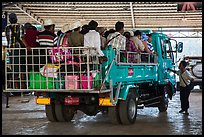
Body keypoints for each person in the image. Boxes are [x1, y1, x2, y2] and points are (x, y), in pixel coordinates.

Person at [5, 12, 26, 89]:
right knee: (22, 69)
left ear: (9, 20)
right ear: (16, 19)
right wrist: (27, 46)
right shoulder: (20, 26)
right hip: (19, 50)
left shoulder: (7, 28)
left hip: (11, 51)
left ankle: (16, 88)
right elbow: (22, 38)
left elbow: (8, 39)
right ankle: (23, 88)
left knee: (14, 70)